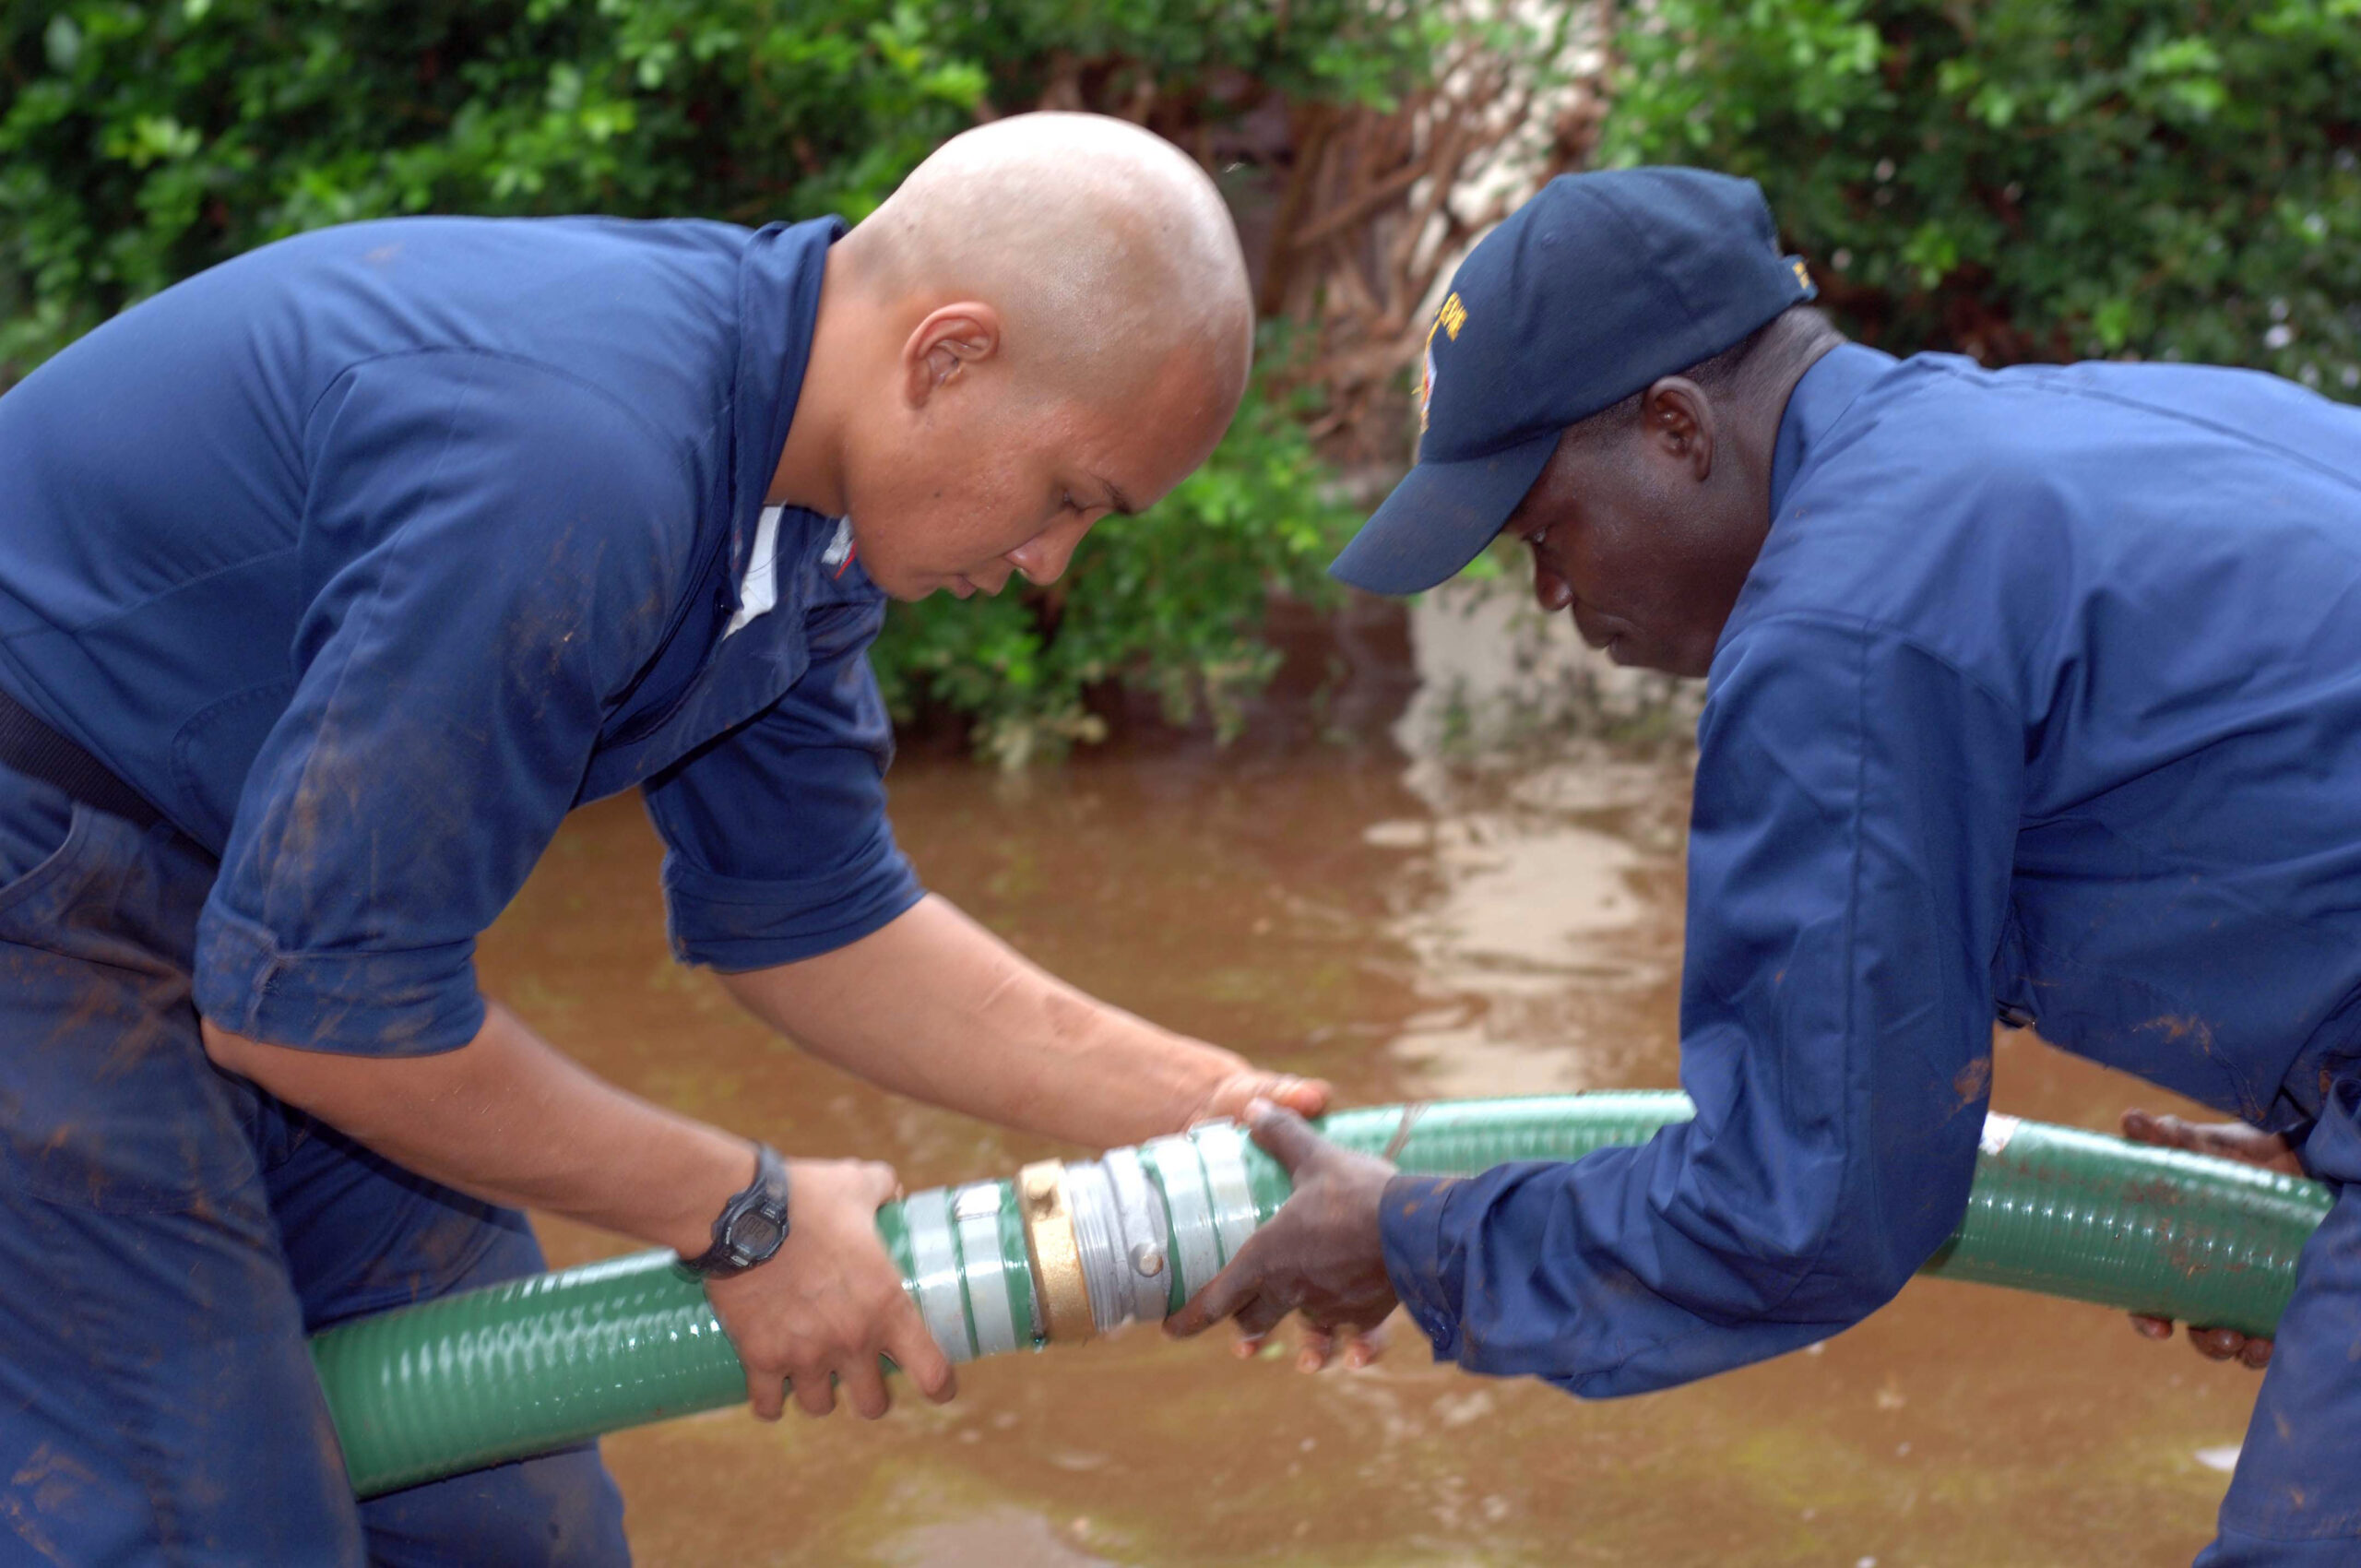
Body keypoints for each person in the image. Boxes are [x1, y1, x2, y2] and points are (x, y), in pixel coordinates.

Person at [0, 111, 1327, 1566]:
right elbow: (321, 1019)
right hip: (45, 888)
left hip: (239, 904)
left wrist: (1211, 1106)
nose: (1049, 564)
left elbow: (819, 924)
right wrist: (744, 1214)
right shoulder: (584, 462)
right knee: (211, 1530)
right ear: (947, 357)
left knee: (506, 1513)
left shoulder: (802, 532)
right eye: (1068, 496)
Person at [1166, 166, 2361, 1567]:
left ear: (1675, 429)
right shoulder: (2082, 424)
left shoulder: (1846, 626)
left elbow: (1815, 1204)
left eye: (1546, 534)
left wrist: (1420, 1243)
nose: (1555, 602)